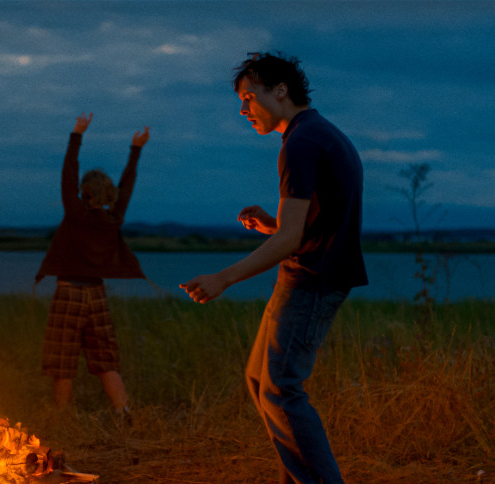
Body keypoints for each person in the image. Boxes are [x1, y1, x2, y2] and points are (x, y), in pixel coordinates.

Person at [180, 52, 368, 483]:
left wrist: (222, 278)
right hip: (310, 273)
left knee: (281, 389)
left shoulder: (301, 143)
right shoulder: (315, 132)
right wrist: (273, 225)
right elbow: (305, 226)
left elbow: (291, 240)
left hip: (313, 280)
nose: (243, 110)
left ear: (280, 91)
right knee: (260, 380)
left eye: (249, 97)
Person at [35, 112, 149, 417]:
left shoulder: (76, 215)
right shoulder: (113, 219)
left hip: (68, 293)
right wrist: (136, 150)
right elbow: (127, 186)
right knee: (105, 359)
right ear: (109, 195)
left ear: (83, 192)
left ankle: (62, 418)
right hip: (96, 295)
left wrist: (77, 135)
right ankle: (124, 412)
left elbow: (67, 174)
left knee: (63, 361)